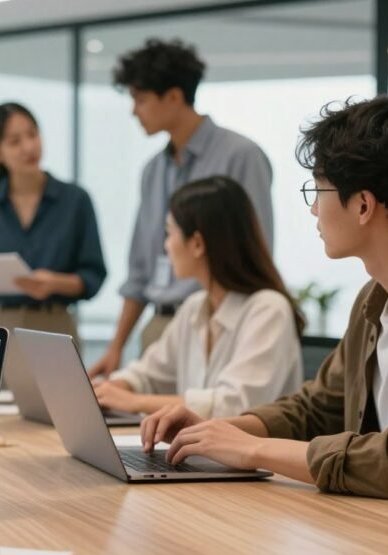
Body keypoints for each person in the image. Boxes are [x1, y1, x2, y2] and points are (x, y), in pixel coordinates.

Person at [141, 96, 388, 533]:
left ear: (363, 205)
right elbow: (318, 409)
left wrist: (253, 451)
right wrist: (219, 430)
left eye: (319, 190)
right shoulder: (374, 298)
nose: (315, 209)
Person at [89, 38, 274, 378]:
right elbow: (140, 270)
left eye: (140, 99)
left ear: (173, 96)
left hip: (217, 326)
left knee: (204, 424)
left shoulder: (240, 156)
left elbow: (255, 252)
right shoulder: (152, 171)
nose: (134, 111)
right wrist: (116, 347)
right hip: (159, 329)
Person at [93, 176, 302, 416]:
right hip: (198, 452)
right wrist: (111, 388)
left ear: (197, 244)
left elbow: (233, 406)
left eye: (169, 233)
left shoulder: (269, 310)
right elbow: (148, 373)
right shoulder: (194, 307)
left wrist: (135, 401)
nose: (166, 246)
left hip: (248, 451)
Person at [0, 102, 106, 346]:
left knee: (62, 386)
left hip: (55, 324)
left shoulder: (75, 200)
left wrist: (54, 283)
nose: (29, 146)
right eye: (15, 141)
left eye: (32, 134)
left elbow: (93, 275)